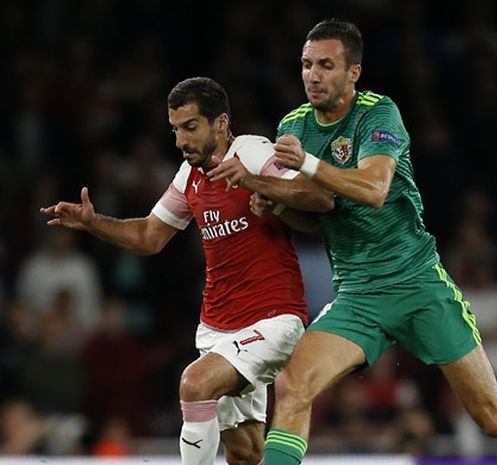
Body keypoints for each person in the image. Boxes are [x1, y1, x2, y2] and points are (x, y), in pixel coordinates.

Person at [209, 19, 497, 465]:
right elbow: (319, 211)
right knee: (293, 383)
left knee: (496, 418)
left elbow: (375, 189)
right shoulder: (295, 124)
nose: (312, 75)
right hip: (358, 295)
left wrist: (307, 164)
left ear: (353, 73)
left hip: (418, 285)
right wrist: (278, 204)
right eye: (306, 65)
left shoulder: (379, 113)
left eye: (325, 64)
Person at [40, 77, 334, 465]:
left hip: (272, 318)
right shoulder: (190, 175)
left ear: (222, 125)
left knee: (195, 384)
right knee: (245, 454)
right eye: (176, 129)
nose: (181, 140)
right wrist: (94, 223)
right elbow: (149, 235)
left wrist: (258, 183)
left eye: (191, 127)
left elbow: (319, 198)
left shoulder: (253, 152)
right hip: (217, 326)